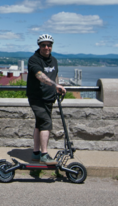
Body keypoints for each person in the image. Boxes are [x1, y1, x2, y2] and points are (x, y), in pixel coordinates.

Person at [26, 34, 66, 165]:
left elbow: (55, 76)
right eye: (44, 45)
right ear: (39, 46)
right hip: (36, 98)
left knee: (40, 124)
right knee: (46, 123)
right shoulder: (34, 60)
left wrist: (57, 88)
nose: (47, 47)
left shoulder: (53, 60)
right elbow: (39, 75)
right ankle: (44, 154)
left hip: (49, 98)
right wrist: (55, 85)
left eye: (49, 45)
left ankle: (35, 153)